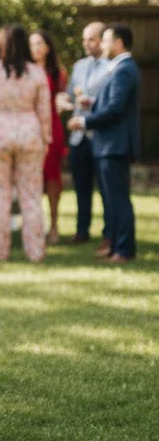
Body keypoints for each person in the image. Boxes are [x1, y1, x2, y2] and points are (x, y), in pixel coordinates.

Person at [0, 25, 51, 262]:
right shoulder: (37, 73)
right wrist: (46, 139)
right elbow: (44, 112)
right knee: (31, 195)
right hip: (29, 134)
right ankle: (35, 252)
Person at [68, 24, 140, 263]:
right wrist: (91, 103)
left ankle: (125, 249)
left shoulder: (123, 70)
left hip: (114, 144)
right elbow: (109, 103)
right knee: (112, 198)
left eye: (106, 41)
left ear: (118, 43)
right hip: (108, 143)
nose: (103, 45)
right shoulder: (119, 68)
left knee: (118, 199)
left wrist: (84, 121)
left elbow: (115, 109)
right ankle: (116, 247)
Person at [56, 22, 108, 244]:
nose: (86, 44)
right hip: (78, 138)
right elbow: (69, 95)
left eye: (91, 39)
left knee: (106, 189)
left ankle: (109, 233)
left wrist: (92, 103)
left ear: (103, 40)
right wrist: (63, 101)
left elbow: (112, 103)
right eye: (84, 39)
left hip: (100, 136)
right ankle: (82, 230)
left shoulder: (111, 67)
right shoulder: (79, 66)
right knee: (81, 187)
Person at [30, 30, 68, 244]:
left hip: (52, 128)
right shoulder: (24, 71)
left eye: (38, 43)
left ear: (47, 47)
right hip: (29, 126)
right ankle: (34, 226)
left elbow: (62, 97)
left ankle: (53, 225)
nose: (34, 48)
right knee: (32, 178)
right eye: (31, 44)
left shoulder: (57, 73)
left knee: (52, 177)